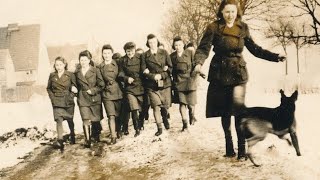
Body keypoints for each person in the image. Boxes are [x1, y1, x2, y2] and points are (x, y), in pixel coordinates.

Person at [193, 0, 286, 159]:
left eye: (233, 12)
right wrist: (198, 64)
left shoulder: (243, 27)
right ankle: (229, 146)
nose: (230, 15)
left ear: (237, 13)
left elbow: (255, 49)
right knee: (225, 112)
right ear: (221, 12)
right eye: (227, 12)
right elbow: (203, 48)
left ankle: (242, 150)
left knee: (238, 111)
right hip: (220, 74)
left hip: (238, 74)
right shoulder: (213, 27)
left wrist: (275, 57)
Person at [141, 34, 172, 136]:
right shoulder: (145, 55)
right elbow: (144, 71)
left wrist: (161, 75)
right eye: (150, 43)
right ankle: (159, 128)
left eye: (154, 42)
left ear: (157, 42)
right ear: (148, 43)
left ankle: (165, 119)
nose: (152, 44)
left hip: (164, 84)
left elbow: (170, 68)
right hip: (152, 85)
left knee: (164, 106)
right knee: (155, 106)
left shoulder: (164, 52)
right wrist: (153, 76)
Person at [74, 50, 105, 148]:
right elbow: (74, 84)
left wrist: (93, 90)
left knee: (95, 119)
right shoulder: (76, 73)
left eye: (85, 60)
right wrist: (73, 88)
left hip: (94, 98)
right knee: (85, 119)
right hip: (82, 98)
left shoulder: (95, 70)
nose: (83, 62)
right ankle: (87, 140)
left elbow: (101, 85)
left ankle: (95, 136)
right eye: (81, 60)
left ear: (89, 60)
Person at [47, 57, 78, 151]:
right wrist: (52, 98)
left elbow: (75, 86)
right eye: (57, 65)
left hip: (67, 101)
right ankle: (60, 140)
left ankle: (72, 133)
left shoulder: (70, 74)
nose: (59, 67)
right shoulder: (52, 75)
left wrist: (71, 96)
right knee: (58, 120)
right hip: (56, 101)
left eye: (60, 64)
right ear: (54, 66)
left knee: (70, 119)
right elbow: (48, 88)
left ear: (64, 65)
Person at [170, 36, 198, 131]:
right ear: (174, 46)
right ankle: (185, 124)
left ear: (183, 45)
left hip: (190, 81)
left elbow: (195, 65)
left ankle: (192, 115)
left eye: (180, 45)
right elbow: (171, 70)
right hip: (179, 82)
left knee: (191, 104)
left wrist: (193, 77)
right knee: (182, 103)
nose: (178, 47)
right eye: (176, 45)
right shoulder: (172, 56)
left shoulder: (190, 53)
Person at [118, 42, 146, 137]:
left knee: (143, 108)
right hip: (130, 88)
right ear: (125, 51)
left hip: (141, 86)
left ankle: (141, 123)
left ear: (135, 50)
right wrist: (126, 78)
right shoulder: (122, 60)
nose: (130, 53)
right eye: (128, 51)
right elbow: (120, 73)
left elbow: (145, 68)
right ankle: (136, 129)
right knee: (134, 108)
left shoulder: (140, 57)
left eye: (132, 51)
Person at [97, 44, 123, 144]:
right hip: (106, 93)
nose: (106, 55)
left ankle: (119, 130)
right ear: (102, 54)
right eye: (105, 53)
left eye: (108, 53)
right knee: (111, 115)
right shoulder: (99, 67)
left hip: (118, 91)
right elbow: (100, 80)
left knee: (118, 115)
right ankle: (113, 136)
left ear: (112, 53)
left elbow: (121, 75)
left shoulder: (117, 64)